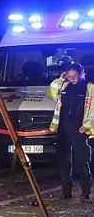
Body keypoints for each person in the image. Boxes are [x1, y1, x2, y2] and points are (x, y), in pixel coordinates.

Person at [46, 62, 94, 200]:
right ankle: (66, 192)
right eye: (70, 76)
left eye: (75, 76)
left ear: (82, 74)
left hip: (79, 129)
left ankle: (86, 192)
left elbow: (92, 109)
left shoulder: (89, 88)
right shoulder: (64, 85)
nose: (72, 79)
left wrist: (87, 125)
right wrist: (60, 79)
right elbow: (51, 93)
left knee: (81, 161)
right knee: (64, 162)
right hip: (63, 128)